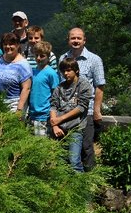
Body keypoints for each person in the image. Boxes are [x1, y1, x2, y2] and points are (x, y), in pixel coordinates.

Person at [58, 28, 105, 171]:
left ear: (84, 40)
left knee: (86, 148)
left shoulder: (94, 59)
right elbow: (61, 87)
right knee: (66, 149)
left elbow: (99, 86)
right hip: (66, 112)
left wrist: (96, 111)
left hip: (87, 111)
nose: (76, 41)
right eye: (73, 38)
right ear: (68, 40)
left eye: (79, 38)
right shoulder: (62, 59)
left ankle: (91, 182)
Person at [49, 58, 92, 172]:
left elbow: (81, 107)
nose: (66, 73)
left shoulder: (84, 85)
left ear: (76, 70)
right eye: (63, 71)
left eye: (68, 70)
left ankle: (81, 186)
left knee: (74, 161)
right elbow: (53, 106)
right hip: (60, 129)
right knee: (60, 160)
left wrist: (60, 119)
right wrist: (55, 125)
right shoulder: (60, 87)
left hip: (76, 128)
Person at [0, 32, 32, 114]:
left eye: (11, 44)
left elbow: (26, 89)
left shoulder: (23, 65)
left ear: (18, 45)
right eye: (5, 44)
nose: (8, 47)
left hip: (13, 107)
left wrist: (19, 111)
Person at [27, 41, 59, 136]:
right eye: (36, 55)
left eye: (42, 56)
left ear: (48, 57)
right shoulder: (33, 71)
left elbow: (55, 95)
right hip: (32, 114)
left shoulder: (51, 73)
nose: (38, 58)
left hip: (44, 116)